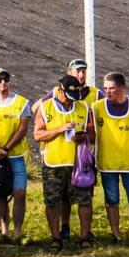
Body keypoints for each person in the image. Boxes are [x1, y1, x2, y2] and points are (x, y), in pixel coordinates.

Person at [33, 74, 94, 243]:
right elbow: (38, 134)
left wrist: (83, 136)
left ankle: (84, 237)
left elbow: (92, 134)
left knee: (84, 200)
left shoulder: (82, 107)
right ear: (60, 91)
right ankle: (56, 237)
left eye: (73, 98)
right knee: (52, 201)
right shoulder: (46, 108)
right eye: (68, 97)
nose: (70, 101)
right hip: (54, 163)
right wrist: (59, 129)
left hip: (78, 164)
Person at [93, 73, 129, 242]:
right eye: (105, 88)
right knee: (112, 200)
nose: (107, 91)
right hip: (107, 163)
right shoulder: (97, 107)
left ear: (122, 88)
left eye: (112, 88)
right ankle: (115, 234)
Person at [0, 69, 31, 242]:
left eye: (6, 79)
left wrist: (7, 148)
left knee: (19, 193)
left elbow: (23, 129)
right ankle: (4, 230)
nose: (3, 83)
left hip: (15, 155)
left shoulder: (21, 102)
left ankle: (18, 231)